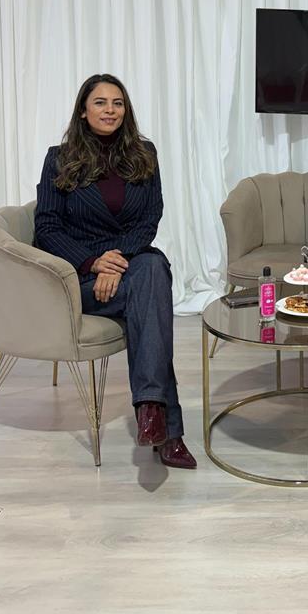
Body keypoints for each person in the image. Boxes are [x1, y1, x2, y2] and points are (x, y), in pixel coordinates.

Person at [34, 74, 196, 469]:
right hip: (83, 280)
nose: (110, 110)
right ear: (83, 111)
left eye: (117, 103)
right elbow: (47, 226)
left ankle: (153, 411)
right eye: (101, 102)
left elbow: (150, 216)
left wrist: (117, 259)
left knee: (152, 268)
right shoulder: (59, 158)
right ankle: (166, 426)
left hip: (129, 267)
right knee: (152, 292)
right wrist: (94, 262)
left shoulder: (144, 153)